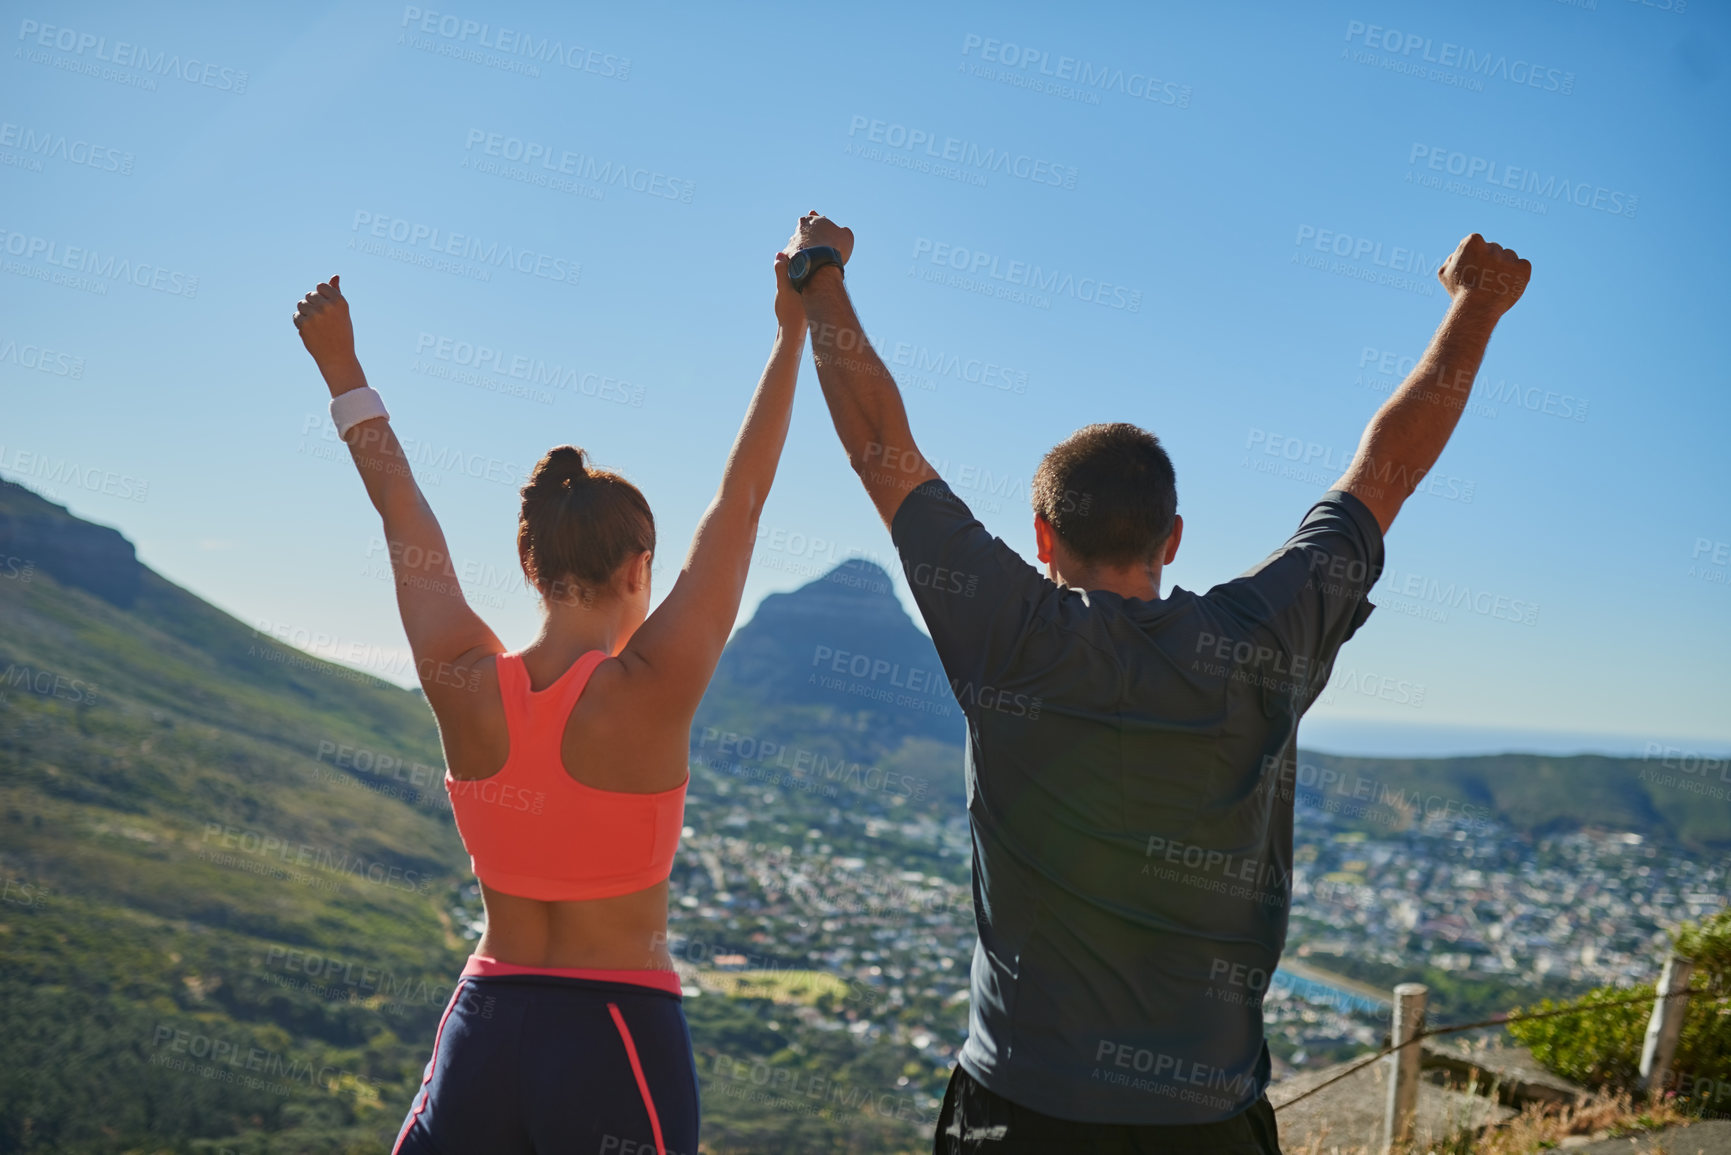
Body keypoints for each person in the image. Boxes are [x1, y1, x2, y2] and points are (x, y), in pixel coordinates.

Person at [780, 212, 1530, 1153]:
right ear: (1171, 538)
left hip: (1022, 1110)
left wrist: (822, 276)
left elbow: (879, 445)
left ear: (1042, 539)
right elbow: (1386, 470)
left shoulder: (1011, 636)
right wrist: (1477, 304)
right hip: (1205, 1118)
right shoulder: (1262, 634)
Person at [291, 251, 809, 1155]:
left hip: (484, 1022)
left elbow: (400, 511)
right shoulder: (650, 692)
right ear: (640, 569)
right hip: (615, 1031)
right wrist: (792, 329)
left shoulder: (460, 677)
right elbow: (742, 502)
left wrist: (343, 368)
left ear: (530, 564)